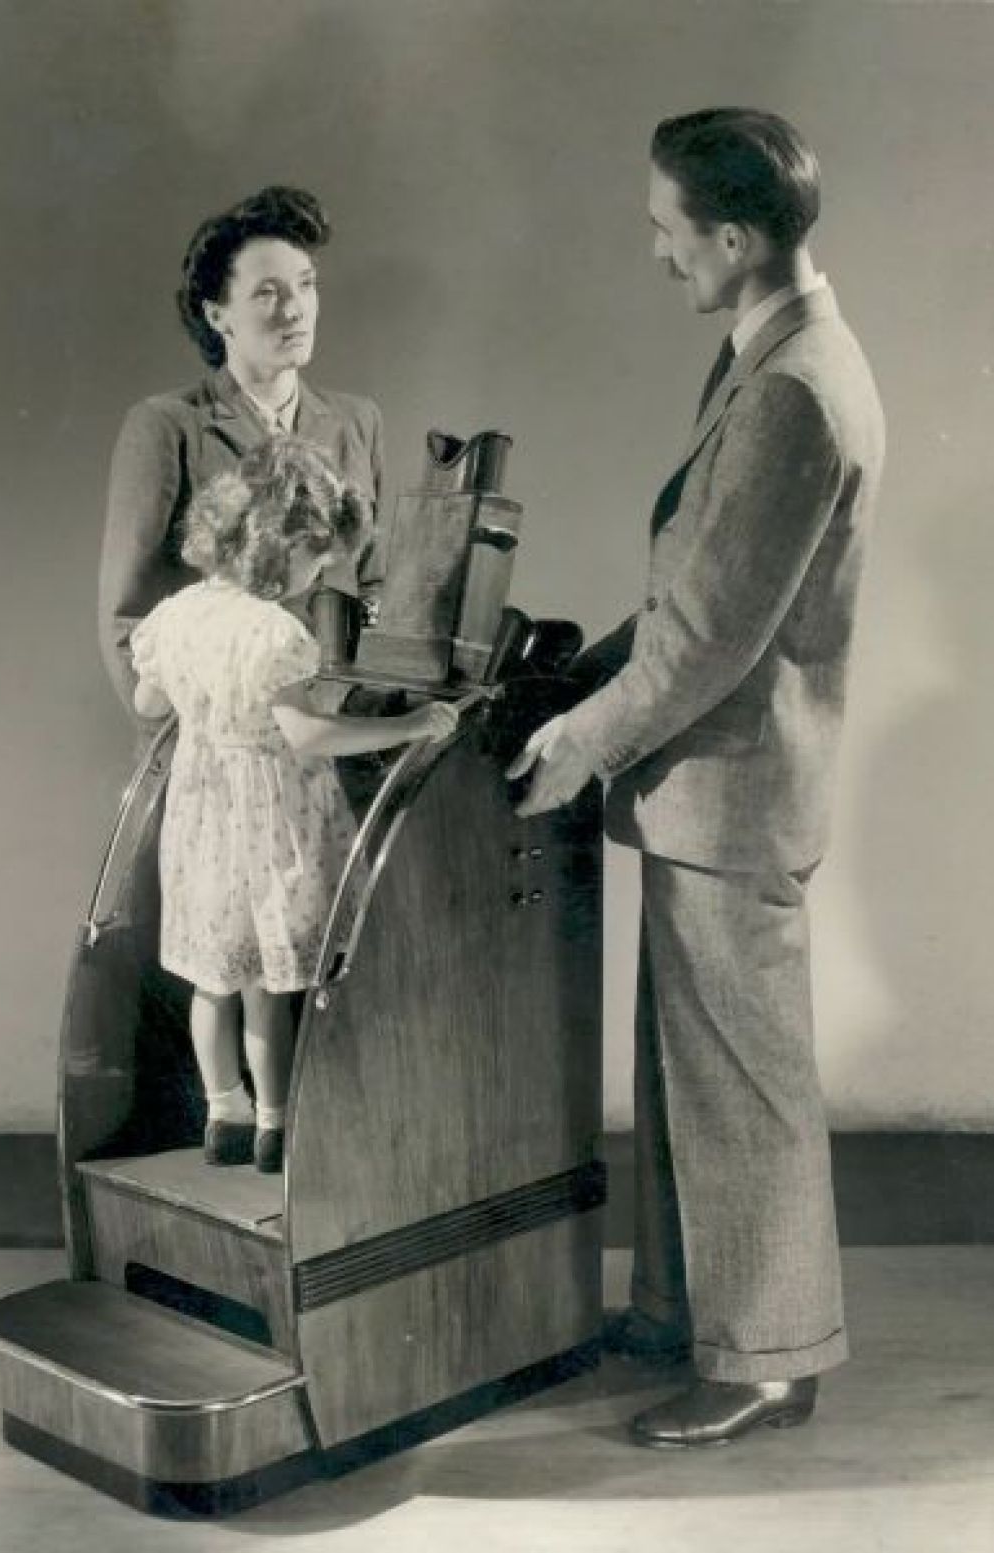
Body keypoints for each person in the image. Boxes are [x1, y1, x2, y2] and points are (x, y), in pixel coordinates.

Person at [508, 108, 885, 1448]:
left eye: (668, 230)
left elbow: (716, 633)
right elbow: (696, 588)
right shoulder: (775, 354)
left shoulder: (793, 387)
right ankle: (682, 1315)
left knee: (740, 1081)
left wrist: (584, 734)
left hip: (731, 785)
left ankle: (771, 1357)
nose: (659, 253)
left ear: (731, 237)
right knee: (688, 1076)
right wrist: (582, 673)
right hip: (708, 787)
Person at [130, 436, 456, 1172]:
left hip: (201, 812)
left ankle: (223, 1116)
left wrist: (208, 698)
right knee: (266, 988)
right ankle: (275, 1126)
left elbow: (152, 700)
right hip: (269, 820)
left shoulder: (179, 613)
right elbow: (306, 736)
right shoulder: (276, 632)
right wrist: (408, 726)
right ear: (285, 548)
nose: (320, 575)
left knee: (213, 976)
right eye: (318, 560)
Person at [100, 184, 384, 728]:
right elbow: (126, 620)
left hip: (337, 739)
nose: (295, 310)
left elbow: (373, 582)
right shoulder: (167, 427)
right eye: (268, 293)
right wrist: (190, 750)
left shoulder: (358, 420)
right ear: (217, 316)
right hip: (218, 747)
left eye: (306, 286)